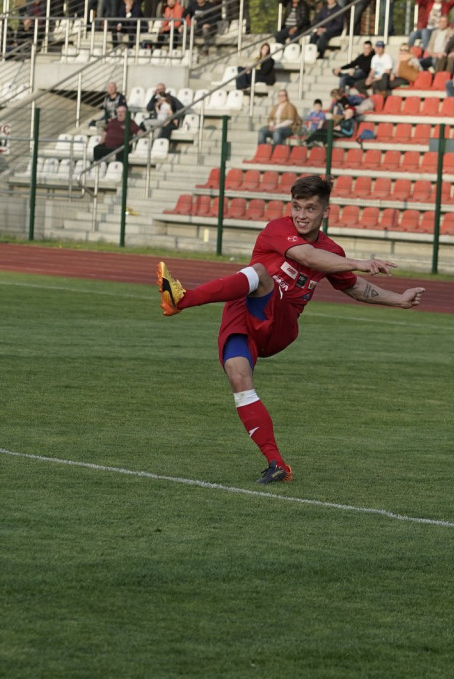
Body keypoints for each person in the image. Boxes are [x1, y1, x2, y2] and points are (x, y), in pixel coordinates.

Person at [155, 175, 426, 484]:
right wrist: (360, 261)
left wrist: (399, 300)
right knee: (238, 378)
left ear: (325, 211)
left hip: (280, 324)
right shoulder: (277, 229)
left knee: (260, 273)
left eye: (310, 208)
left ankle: (183, 299)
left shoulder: (331, 251)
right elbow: (306, 256)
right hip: (241, 316)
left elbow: (353, 287)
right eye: (296, 206)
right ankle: (277, 464)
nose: (301, 215)